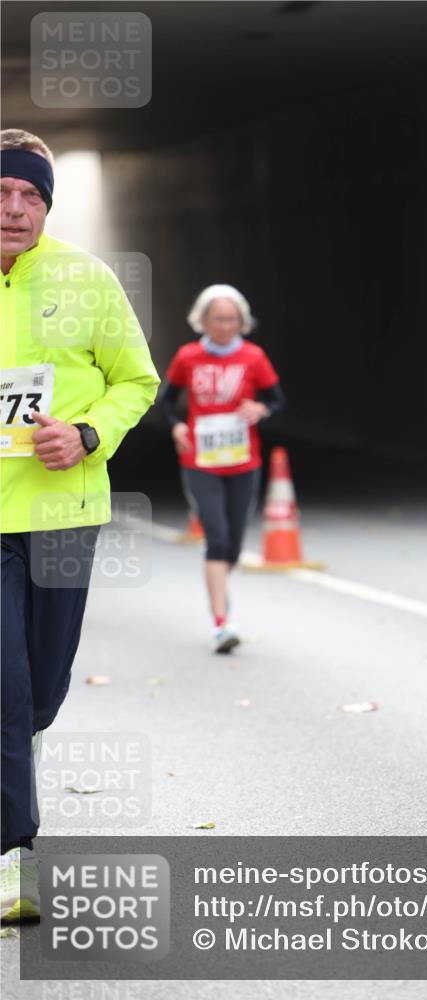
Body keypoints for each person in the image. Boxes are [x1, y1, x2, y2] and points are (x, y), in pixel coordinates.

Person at [0, 130, 160, 919]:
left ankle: (17, 755)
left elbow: (137, 379)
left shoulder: (85, 279)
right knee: (4, 685)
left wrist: (89, 433)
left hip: (63, 513)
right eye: (2, 192)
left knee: (42, 689)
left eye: (31, 195)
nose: (15, 208)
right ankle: (13, 855)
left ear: (47, 207)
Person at [159, 284, 285, 652]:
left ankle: (220, 593)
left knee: (232, 544)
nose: (226, 326)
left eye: (232, 320)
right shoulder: (188, 357)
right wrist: (176, 425)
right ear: (204, 320)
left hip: (244, 460)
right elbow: (166, 401)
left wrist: (261, 410)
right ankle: (220, 622)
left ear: (242, 321)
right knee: (216, 536)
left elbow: (278, 400)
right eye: (218, 319)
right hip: (200, 461)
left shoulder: (254, 358)